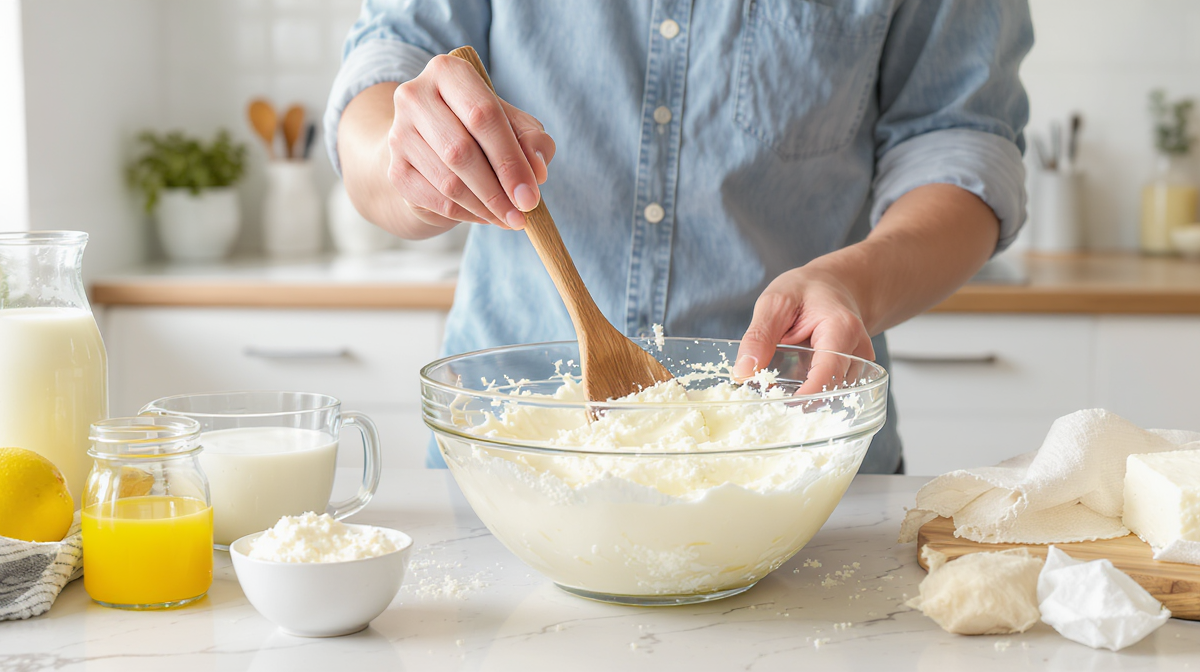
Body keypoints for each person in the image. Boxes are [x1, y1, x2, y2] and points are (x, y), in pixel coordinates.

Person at [325, 1, 1033, 473]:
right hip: (500, 462)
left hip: (803, 459)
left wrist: (855, 283)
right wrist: (411, 162)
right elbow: (379, 82)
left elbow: (962, 147)